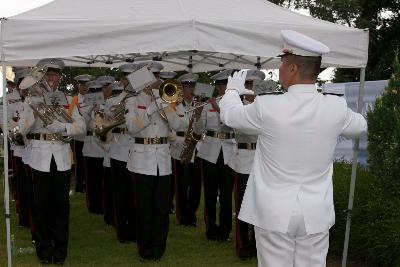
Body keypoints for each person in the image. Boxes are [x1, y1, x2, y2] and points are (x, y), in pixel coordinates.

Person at [219, 30, 368, 267]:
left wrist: (232, 92)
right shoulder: (335, 107)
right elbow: (360, 126)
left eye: (281, 63)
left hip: (273, 212)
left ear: (292, 69)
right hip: (316, 212)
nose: (279, 69)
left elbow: (230, 115)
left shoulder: (267, 106)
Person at [18, 58, 86, 265]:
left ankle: (60, 250)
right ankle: (44, 250)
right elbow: (23, 128)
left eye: (55, 75)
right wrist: (34, 112)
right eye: (48, 75)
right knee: (41, 206)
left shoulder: (67, 98)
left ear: (60, 77)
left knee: (61, 206)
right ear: (42, 77)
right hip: (40, 157)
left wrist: (64, 128)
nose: (51, 78)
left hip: (62, 157)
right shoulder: (33, 99)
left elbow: (82, 127)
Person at [125, 61, 186, 260]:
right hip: (142, 159)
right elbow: (133, 128)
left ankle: (159, 248)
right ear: (144, 79)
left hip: (163, 161)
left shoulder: (166, 99)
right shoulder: (132, 101)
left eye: (159, 77)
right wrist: (152, 108)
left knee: (161, 208)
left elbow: (177, 124)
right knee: (144, 208)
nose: (158, 81)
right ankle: (145, 249)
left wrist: (166, 106)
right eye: (154, 77)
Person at [227, 69, 267, 260]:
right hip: (244, 160)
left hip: (263, 162)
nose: (253, 90)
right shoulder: (239, 108)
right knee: (243, 206)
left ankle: (258, 244)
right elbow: (241, 126)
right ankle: (242, 245)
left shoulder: (266, 108)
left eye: (256, 86)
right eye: (250, 86)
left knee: (262, 207)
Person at [105, 63, 138, 243]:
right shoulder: (112, 101)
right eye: (126, 78)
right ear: (122, 80)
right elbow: (104, 124)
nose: (129, 81)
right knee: (121, 194)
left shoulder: (142, 99)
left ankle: (134, 229)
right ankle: (122, 232)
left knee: (135, 195)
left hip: (137, 151)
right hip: (119, 150)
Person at [171, 73, 202, 226]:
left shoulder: (199, 106)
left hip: (197, 148)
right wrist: (178, 142)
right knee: (182, 186)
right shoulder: (174, 105)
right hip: (180, 148)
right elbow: (169, 128)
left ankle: (192, 216)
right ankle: (183, 217)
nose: (191, 89)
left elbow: (205, 127)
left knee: (195, 186)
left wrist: (199, 115)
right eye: (187, 86)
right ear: (181, 89)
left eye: (193, 86)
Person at [82, 80, 106, 214]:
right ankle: (92, 205)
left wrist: (100, 108)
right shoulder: (84, 107)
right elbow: (82, 123)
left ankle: (102, 204)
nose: (95, 94)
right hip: (90, 145)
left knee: (102, 179)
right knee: (91, 179)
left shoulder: (105, 105)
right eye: (93, 92)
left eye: (98, 91)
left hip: (102, 146)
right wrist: (90, 108)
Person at [72, 74, 93, 193]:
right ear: (78, 86)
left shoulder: (94, 98)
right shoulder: (74, 100)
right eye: (82, 85)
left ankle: (89, 184)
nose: (85, 87)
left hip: (91, 135)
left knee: (91, 161)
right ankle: (79, 185)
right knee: (79, 162)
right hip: (80, 136)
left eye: (87, 85)